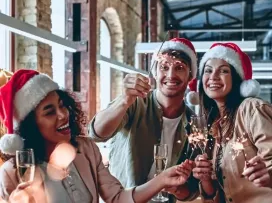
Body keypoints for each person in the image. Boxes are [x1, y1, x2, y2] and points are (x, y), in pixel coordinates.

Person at [0, 69, 194, 203]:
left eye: (62, 105)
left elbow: (117, 198)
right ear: (31, 126)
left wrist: (162, 180)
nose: (63, 114)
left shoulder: (86, 149)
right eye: (50, 112)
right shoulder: (12, 172)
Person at [89, 38, 200, 201]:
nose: (171, 75)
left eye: (180, 67)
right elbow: (96, 133)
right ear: (155, 72)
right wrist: (124, 99)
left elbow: (190, 192)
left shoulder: (193, 122)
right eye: (164, 67)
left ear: (191, 75)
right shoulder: (135, 103)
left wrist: (177, 188)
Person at [192, 43, 272, 203]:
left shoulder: (251, 108)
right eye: (208, 70)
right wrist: (206, 179)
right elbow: (219, 195)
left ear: (236, 79)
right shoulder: (215, 126)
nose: (213, 76)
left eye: (224, 71)